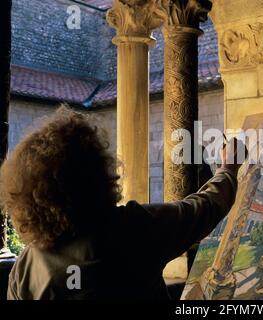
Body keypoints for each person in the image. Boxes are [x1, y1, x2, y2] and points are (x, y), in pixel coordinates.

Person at [0, 107, 242, 300]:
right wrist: (229, 167)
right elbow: (207, 207)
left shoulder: (27, 267)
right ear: (97, 175)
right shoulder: (137, 228)